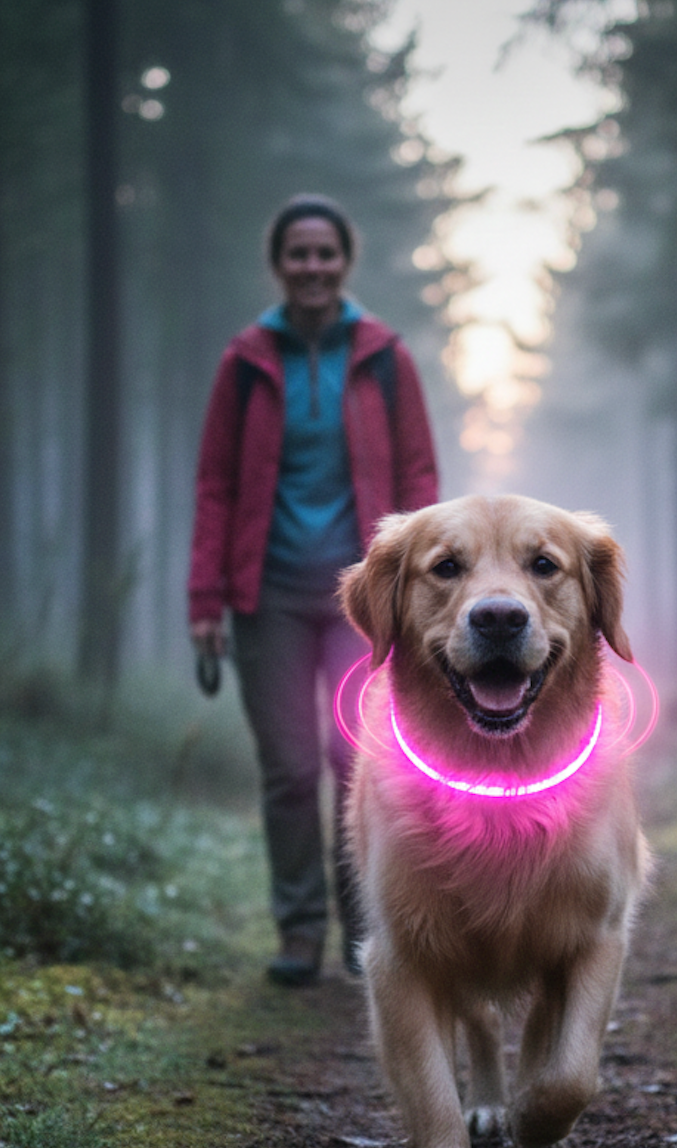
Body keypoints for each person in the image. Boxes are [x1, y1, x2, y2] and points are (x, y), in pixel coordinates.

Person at [188, 194, 439, 986]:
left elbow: (419, 478)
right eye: (298, 254)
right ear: (279, 263)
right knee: (290, 769)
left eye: (325, 253)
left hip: (365, 600)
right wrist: (205, 603)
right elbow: (216, 487)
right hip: (266, 598)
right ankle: (298, 933)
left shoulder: (384, 356)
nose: (312, 267)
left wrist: (422, 592)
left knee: (360, 763)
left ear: (345, 261)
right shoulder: (246, 361)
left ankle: (370, 933)